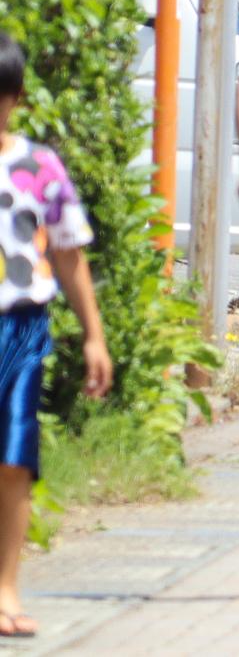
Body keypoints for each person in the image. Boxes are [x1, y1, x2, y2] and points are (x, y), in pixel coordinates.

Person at [0, 32, 113, 637]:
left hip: (20, 329)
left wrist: (94, 335)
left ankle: (6, 588)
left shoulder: (39, 167)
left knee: (15, 459)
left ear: (14, 99)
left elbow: (70, 255)